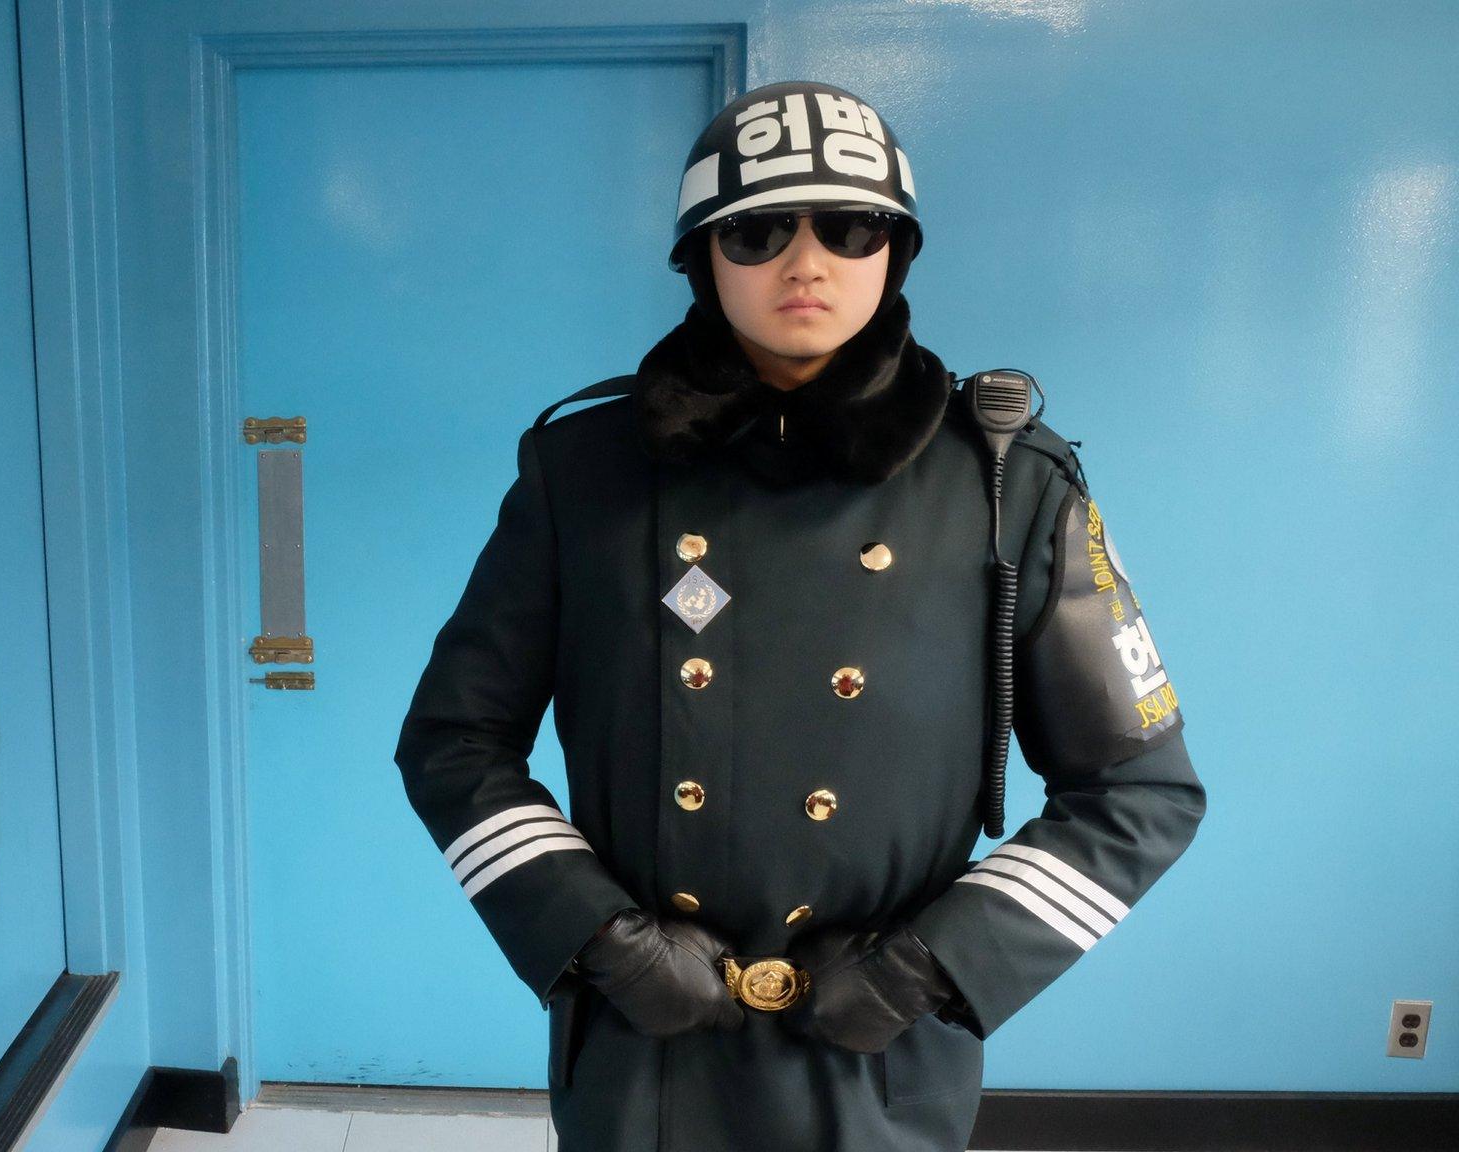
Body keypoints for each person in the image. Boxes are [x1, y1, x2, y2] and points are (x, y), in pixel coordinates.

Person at [393, 79, 1206, 1151]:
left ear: (895, 250)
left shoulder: (1009, 481)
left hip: (879, 1049)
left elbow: (1136, 793)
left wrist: (933, 964)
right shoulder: (580, 471)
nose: (805, 261)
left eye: (851, 225)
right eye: (759, 229)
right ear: (701, 257)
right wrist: (597, 935)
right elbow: (453, 743)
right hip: (644, 1041)